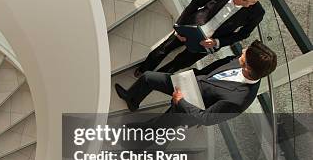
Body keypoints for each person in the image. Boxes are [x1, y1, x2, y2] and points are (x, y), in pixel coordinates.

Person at [115, 40, 277, 126]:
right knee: (149, 77)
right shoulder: (238, 61)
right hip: (189, 83)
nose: (242, 51)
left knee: (161, 125)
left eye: (245, 54)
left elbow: (207, 119)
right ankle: (132, 99)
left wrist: (181, 101)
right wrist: (191, 75)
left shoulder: (238, 100)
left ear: (248, 67)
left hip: (190, 106)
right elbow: (213, 69)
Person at [134, 0, 267, 77]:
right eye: (245, 0)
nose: (249, 4)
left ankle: (151, 79)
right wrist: (179, 25)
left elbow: (243, 34)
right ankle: (143, 69)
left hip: (208, 43)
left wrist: (217, 42)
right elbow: (197, 2)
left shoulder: (257, 12)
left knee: (179, 63)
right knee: (164, 49)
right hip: (191, 27)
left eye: (253, 1)